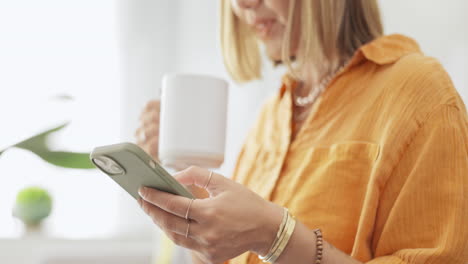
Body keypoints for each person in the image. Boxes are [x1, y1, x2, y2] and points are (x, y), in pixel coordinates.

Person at [135, 0, 468, 263]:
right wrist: (176, 183)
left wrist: (274, 235)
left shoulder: (420, 93)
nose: (243, 3)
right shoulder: (271, 114)